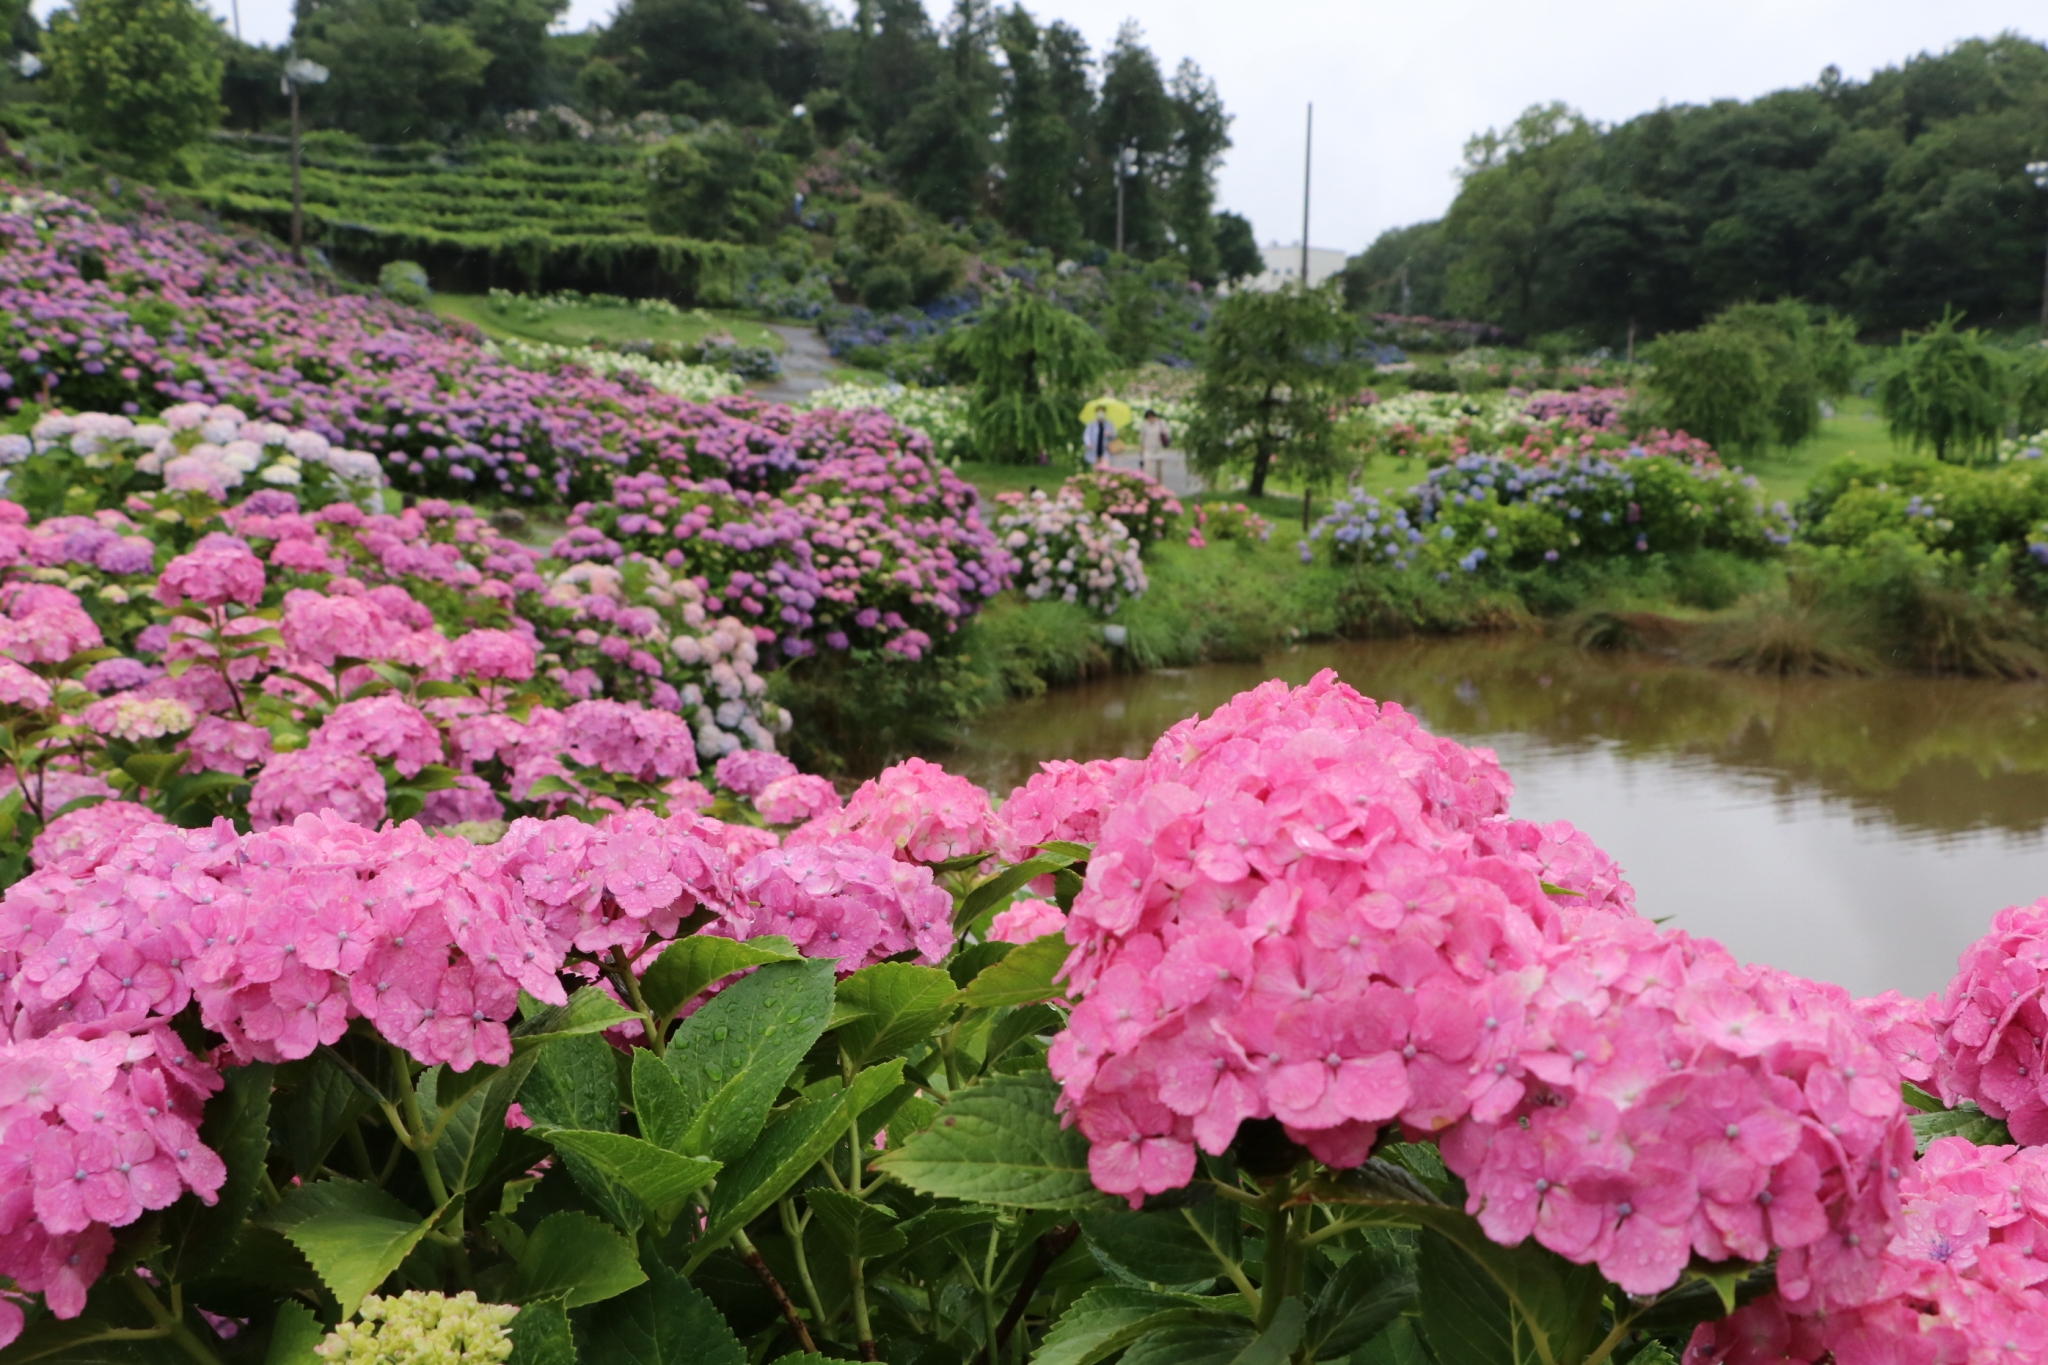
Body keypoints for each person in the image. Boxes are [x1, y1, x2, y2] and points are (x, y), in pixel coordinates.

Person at [1137, 408, 1171, 482]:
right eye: (1148, 417)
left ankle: (1159, 484)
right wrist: (1141, 449)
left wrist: (1163, 432)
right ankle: (1148, 483)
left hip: (1159, 448)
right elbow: (1142, 438)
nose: (1150, 418)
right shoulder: (1144, 425)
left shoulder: (1161, 423)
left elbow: (1167, 434)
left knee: (1159, 469)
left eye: (1151, 416)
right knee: (1147, 468)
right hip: (1148, 449)